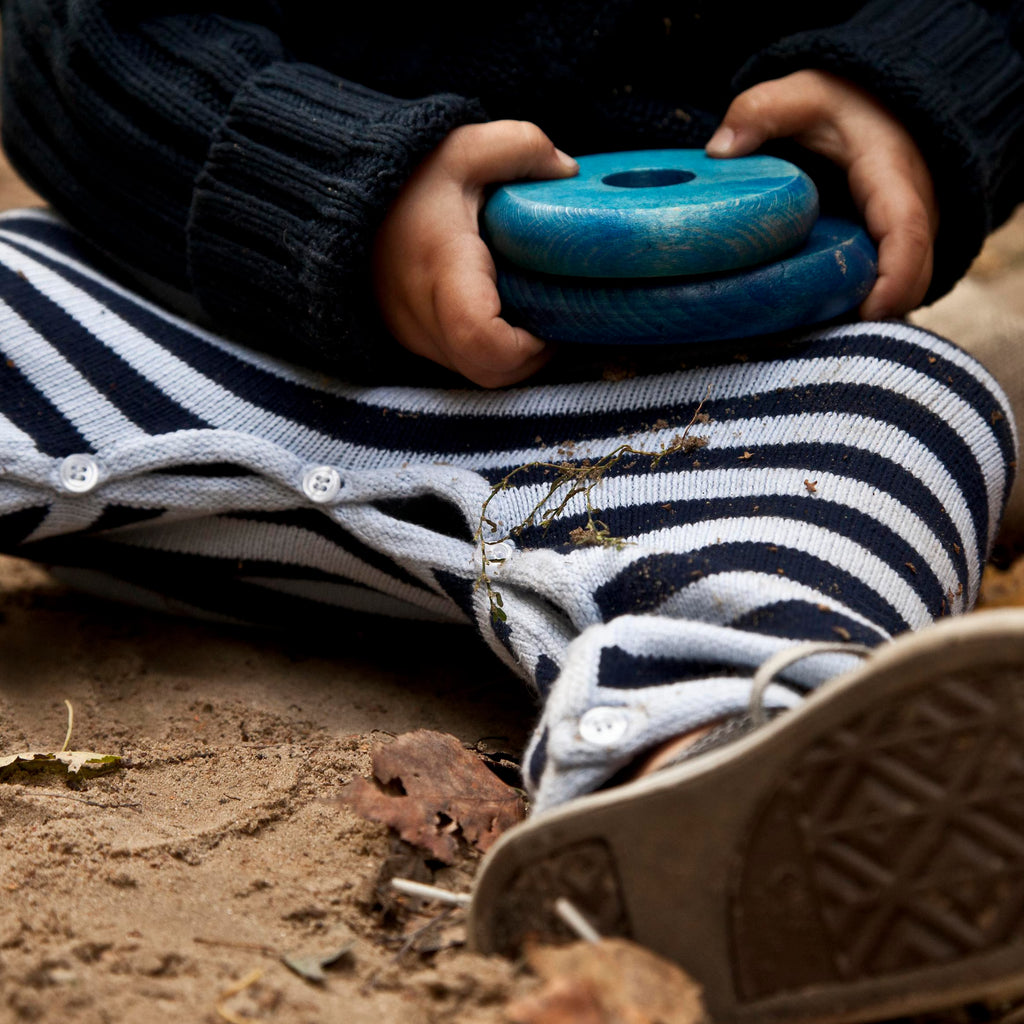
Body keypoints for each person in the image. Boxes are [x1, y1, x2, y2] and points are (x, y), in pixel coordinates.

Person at [0, 2, 1023, 1020]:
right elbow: (67, 31)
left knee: (913, 405)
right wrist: (322, 178)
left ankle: (719, 781)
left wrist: (912, 87)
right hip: (201, 337)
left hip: (648, 438)